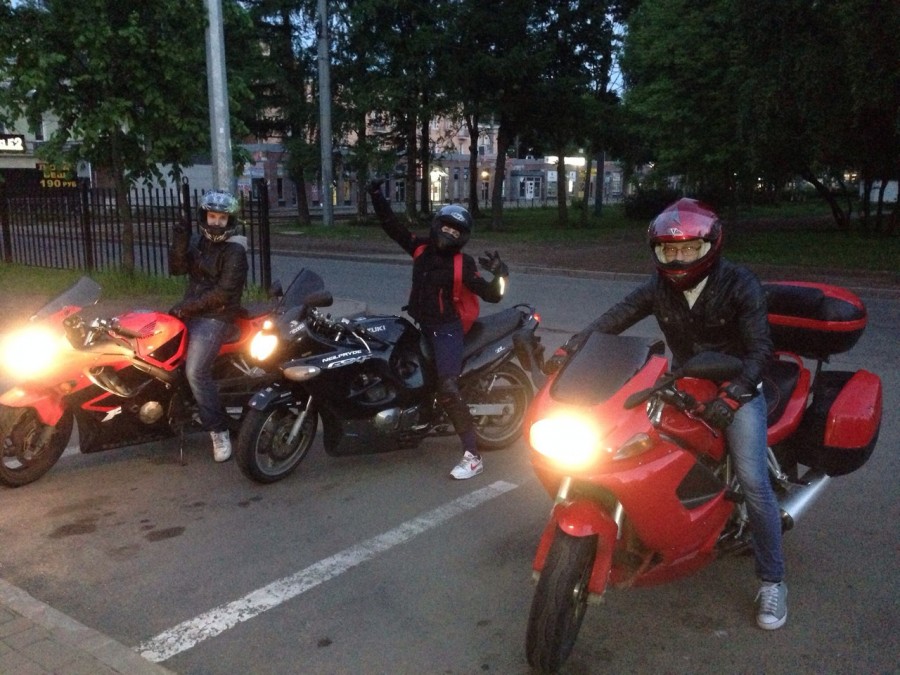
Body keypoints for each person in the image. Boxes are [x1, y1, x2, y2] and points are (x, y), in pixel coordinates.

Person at [559, 197, 787, 630]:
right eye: (670, 250)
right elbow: (615, 318)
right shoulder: (659, 287)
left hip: (737, 385)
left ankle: (773, 580)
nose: (679, 258)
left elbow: (761, 349)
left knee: (754, 483)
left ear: (709, 247)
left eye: (688, 249)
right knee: (636, 444)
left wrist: (735, 395)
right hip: (684, 380)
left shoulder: (740, 283)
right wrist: (572, 348)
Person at [368, 181, 509, 479]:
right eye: (446, 227)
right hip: (420, 324)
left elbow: (492, 295)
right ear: (437, 226)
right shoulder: (420, 248)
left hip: (446, 330)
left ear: (463, 237)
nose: (450, 234)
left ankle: (473, 456)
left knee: (447, 387)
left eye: (456, 232)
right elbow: (391, 226)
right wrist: (377, 195)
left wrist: (501, 273)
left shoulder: (462, 263)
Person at [168, 190, 249, 462]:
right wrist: (180, 239)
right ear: (204, 217)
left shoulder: (235, 251)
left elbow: (223, 294)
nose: (216, 222)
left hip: (217, 316)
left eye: (222, 218)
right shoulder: (197, 242)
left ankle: (219, 431)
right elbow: (177, 269)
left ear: (230, 220)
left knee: (195, 370)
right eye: (212, 216)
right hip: (191, 308)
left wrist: (187, 309)